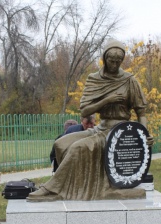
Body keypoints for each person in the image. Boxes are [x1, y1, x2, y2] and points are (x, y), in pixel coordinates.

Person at [28, 39, 153, 202]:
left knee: (78, 148)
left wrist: (144, 134)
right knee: (60, 144)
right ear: (104, 59)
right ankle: (72, 186)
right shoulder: (95, 79)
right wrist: (107, 100)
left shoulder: (129, 80)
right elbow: (85, 110)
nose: (114, 65)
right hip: (101, 128)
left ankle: (52, 188)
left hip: (119, 132)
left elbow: (141, 111)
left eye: (118, 61)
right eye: (111, 61)